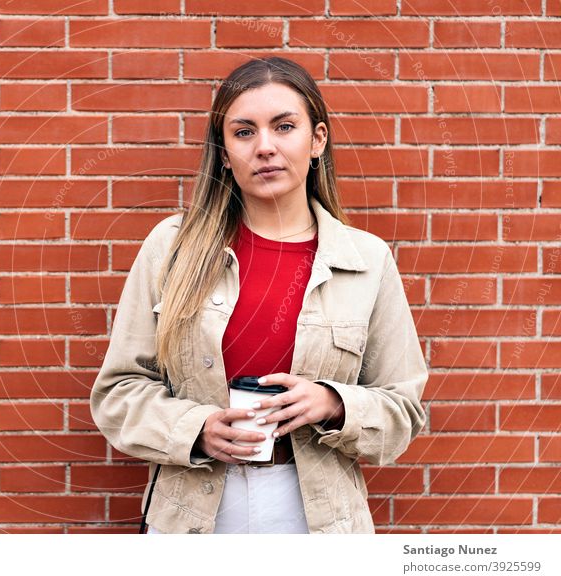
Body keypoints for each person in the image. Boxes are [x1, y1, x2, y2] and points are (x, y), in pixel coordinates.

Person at [89, 56, 428, 534]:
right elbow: (117, 394)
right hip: (193, 512)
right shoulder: (172, 249)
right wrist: (196, 429)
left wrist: (333, 402)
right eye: (244, 132)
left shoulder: (366, 260)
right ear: (225, 153)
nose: (264, 147)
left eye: (284, 127)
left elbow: (403, 410)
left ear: (317, 141)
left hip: (319, 517)